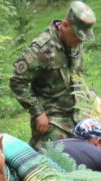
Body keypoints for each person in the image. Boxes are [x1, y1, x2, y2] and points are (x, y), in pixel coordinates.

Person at [10, 1, 96, 149]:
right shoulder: (41, 49)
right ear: (64, 25)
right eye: (77, 35)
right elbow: (17, 81)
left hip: (76, 113)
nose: (81, 40)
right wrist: (37, 113)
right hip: (51, 118)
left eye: (83, 37)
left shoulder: (75, 43)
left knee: (83, 158)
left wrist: (88, 97)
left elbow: (76, 74)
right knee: (49, 161)